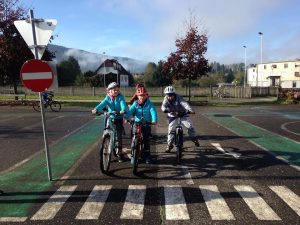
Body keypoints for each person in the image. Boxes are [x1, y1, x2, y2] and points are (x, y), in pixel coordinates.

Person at [92, 82, 127, 162]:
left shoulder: (120, 97)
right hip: (111, 116)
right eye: (114, 90)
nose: (116, 91)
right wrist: (96, 109)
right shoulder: (107, 98)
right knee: (107, 125)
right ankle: (106, 137)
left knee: (118, 135)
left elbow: (123, 104)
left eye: (117, 90)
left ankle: (119, 153)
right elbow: (102, 104)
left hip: (118, 117)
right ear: (109, 91)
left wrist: (123, 110)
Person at [161, 85, 200, 153]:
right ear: (166, 95)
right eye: (168, 95)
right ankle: (169, 145)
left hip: (182, 114)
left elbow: (184, 104)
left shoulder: (178, 97)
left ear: (174, 94)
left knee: (190, 126)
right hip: (172, 115)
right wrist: (165, 110)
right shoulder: (165, 99)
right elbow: (163, 106)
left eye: (171, 95)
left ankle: (194, 139)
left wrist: (190, 110)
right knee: (171, 130)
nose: (170, 97)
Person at [125, 86, 158, 164]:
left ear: (146, 95)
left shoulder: (149, 104)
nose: (142, 97)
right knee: (134, 139)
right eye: (140, 95)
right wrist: (126, 117)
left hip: (146, 124)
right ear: (137, 96)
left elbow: (153, 112)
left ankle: (147, 156)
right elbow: (130, 111)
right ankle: (133, 155)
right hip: (137, 123)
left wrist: (154, 120)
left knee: (146, 140)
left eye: (143, 95)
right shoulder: (135, 103)